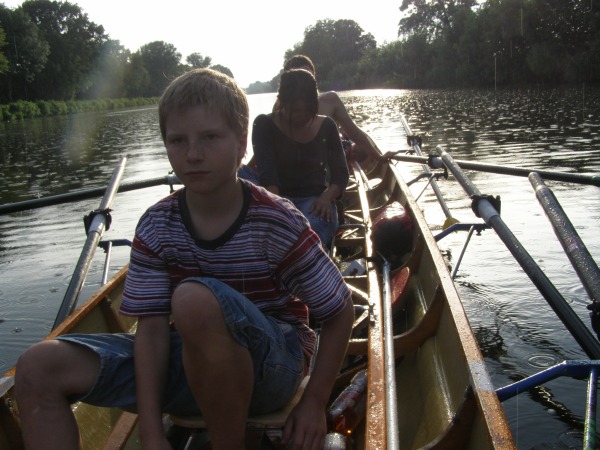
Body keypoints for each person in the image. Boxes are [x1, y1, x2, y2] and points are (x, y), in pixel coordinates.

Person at [14, 68, 354, 450]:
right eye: (178, 140)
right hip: (196, 366)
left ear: (242, 145)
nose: (193, 154)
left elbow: (339, 311)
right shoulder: (157, 225)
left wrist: (314, 402)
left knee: (193, 299)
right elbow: (153, 333)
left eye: (210, 137)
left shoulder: (277, 220)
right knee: (36, 366)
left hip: (275, 370)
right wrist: (153, 432)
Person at [252, 68, 349, 249]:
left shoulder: (326, 126)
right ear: (281, 102)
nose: (302, 117)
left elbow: (341, 174)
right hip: (276, 200)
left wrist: (326, 197)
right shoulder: (264, 124)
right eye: (295, 111)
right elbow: (268, 176)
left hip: (315, 202)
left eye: (308, 110)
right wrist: (282, 215)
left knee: (309, 238)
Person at [282, 54, 396, 163]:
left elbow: (354, 133)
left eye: (306, 76)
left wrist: (379, 158)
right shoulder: (280, 107)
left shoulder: (330, 100)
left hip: (325, 168)